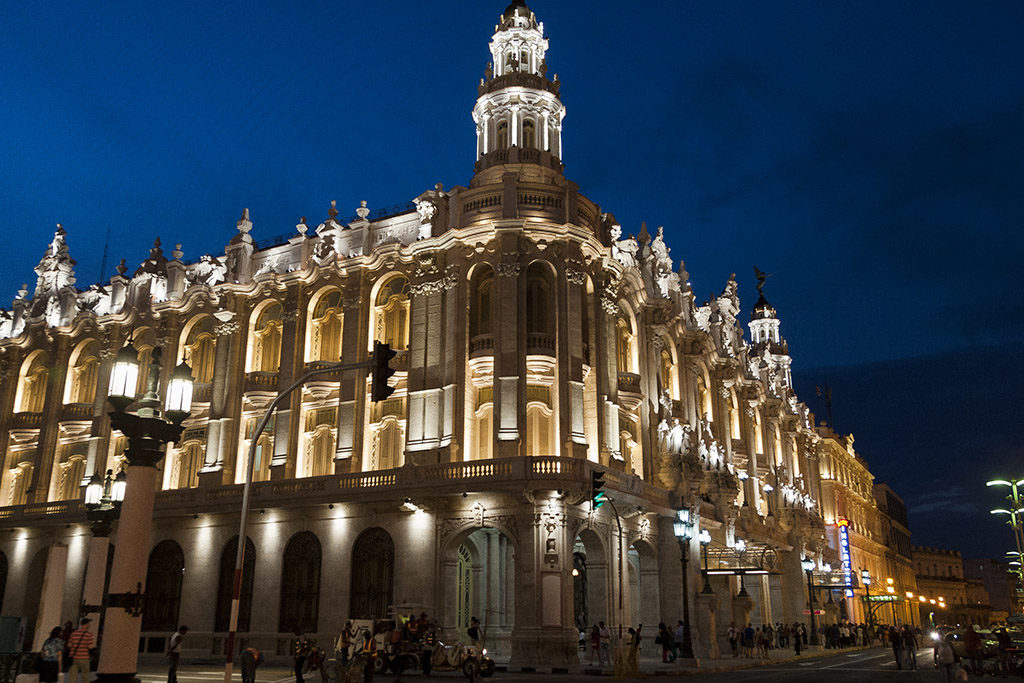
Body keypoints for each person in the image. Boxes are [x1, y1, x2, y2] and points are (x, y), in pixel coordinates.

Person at [65, 618, 95, 683]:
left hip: (74, 658)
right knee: (85, 676)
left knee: (72, 676)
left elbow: (69, 645)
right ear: (87, 624)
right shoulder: (89, 634)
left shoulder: (74, 633)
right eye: (89, 624)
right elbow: (90, 647)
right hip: (84, 658)